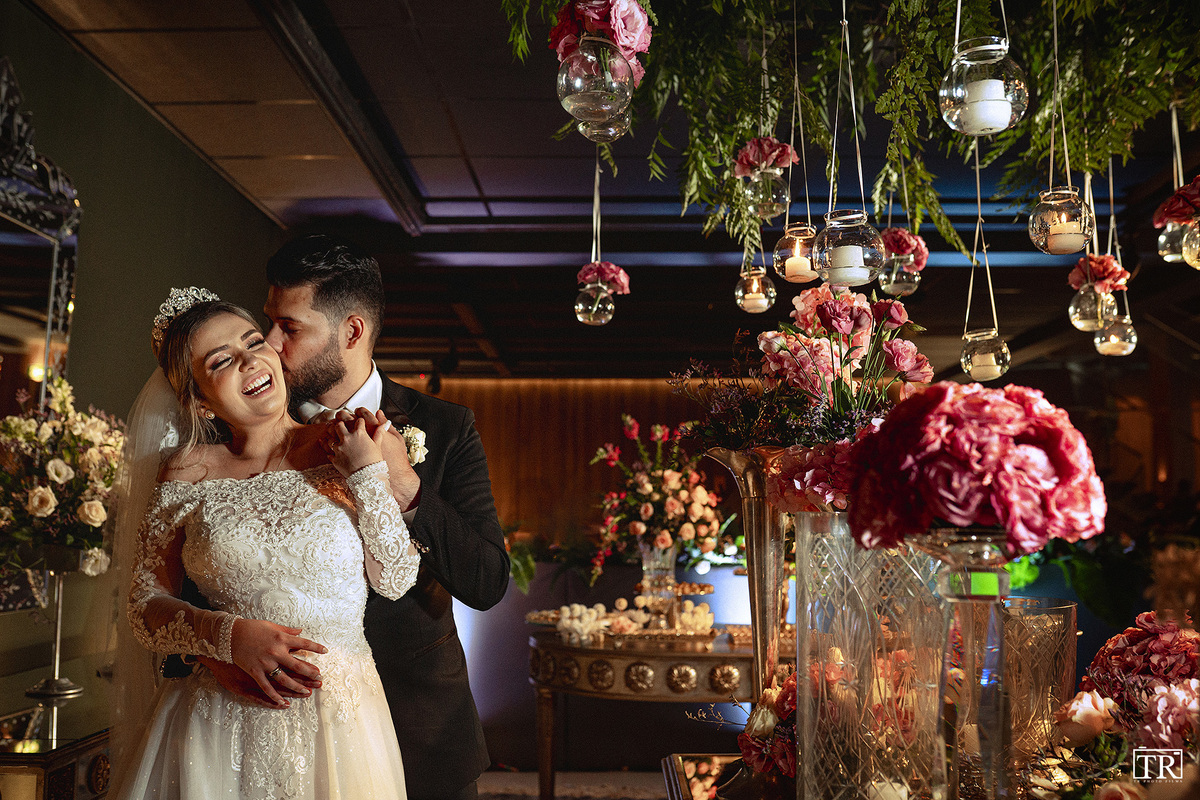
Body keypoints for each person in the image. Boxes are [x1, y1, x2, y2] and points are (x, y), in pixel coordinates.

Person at [200, 235, 510, 800]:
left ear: (351, 332)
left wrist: (404, 483)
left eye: (288, 328)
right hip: (272, 728)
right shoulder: (240, 431)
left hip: (420, 724)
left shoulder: (445, 427)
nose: (268, 346)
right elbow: (197, 565)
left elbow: (487, 581)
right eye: (268, 323)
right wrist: (209, 651)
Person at [110, 288, 421, 799]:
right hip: (216, 722)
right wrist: (227, 638)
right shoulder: (185, 473)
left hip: (339, 721)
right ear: (196, 398)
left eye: (253, 341)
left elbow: (395, 579)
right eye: (221, 361)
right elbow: (145, 607)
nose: (250, 360)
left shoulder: (347, 442)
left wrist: (366, 471)